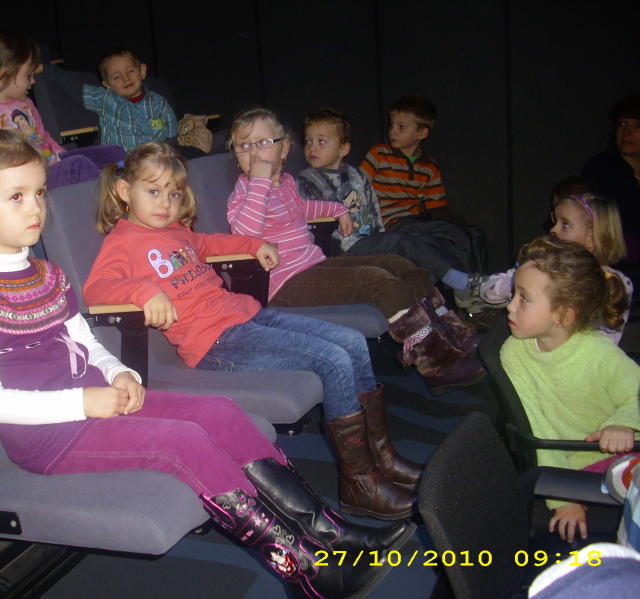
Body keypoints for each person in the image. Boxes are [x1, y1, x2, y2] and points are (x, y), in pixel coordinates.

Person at [0, 130, 415, 599]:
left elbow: (86, 342)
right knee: (184, 442)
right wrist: (84, 401)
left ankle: (330, 532)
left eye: (39, 192)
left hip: (101, 404)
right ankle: (306, 569)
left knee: (223, 413)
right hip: (50, 437)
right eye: (16, 197)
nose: (35, 207)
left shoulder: (48, 275)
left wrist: (118, 372)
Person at [83, 141, 423, 522]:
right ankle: (360, 482)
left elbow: (211, 244)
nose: (165, 203)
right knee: (333, 359)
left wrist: (253, 244)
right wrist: (144, 292)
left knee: (353, 342)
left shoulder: (177, 231)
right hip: (217, 343)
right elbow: (97, 288)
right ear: (124, 190)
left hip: (249, 316)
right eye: (153, 191)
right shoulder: (122, 241)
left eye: (173, 194)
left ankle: (382, 458)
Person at [226, 106, 483, 394]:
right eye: (243, 146)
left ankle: (451, 332)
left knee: (398, 264)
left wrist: (337, 209)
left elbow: (303, 208)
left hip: (312, 265)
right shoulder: (245, 191)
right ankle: (436, 362)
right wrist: (259, 182)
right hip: (283, 283)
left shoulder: (285, 183)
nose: (254, 152)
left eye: (263, 143)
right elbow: (245, 232)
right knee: (377, 281)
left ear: (284, 148)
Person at [501, 235, 640, 544]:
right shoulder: (514, 353)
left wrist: (624, 423)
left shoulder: (597, 352)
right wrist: (563, 498)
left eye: (523, 298)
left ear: (563, 315)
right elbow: (539, 430)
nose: (509, 306)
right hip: (580, 464)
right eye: (514, 294)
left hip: (622, 451)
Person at [0, 28, 123, 190]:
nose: (33, 81)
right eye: (28, 76)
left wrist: (62, 156)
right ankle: (109, 201)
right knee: (79, 166)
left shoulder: (25, 103)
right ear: (2, 75)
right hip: (30, 179)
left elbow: (43, 136)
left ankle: (124, 193)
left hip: (51, 162)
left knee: (114, 154)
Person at [358, 94, 486, 306]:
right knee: (417, 239)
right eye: (392, 125)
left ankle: (473, 291)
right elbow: (357, 187)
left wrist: (458, 224)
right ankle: (463, 286)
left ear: (422, 132)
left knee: (464, 234)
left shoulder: (428, 166)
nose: (392, 131)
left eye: (401, 127)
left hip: (415, 222)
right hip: (390, 224)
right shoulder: (379, 154)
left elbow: (437, 207)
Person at [481, 182, 632, 343]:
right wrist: (520, 280)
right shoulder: (541, 268)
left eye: (565, 224)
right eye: (555, 221)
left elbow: (606, 343)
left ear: (592, 237)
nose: (553, 230)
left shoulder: (614, 283)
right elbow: (488, 291)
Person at [81, 46, 177, 151]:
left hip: (154, 158)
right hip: (118, 159)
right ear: (107, 85)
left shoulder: (159, 103)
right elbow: (72, 84)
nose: (126, 79)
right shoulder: (104, 98)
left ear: (142, 71)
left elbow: (172, 137)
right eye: (117, 77)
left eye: (130, 71)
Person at [582, 94, 640, 262]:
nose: (626, 132)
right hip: (614, 261)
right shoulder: (601, 167)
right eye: (622, 124)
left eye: (637, 126)